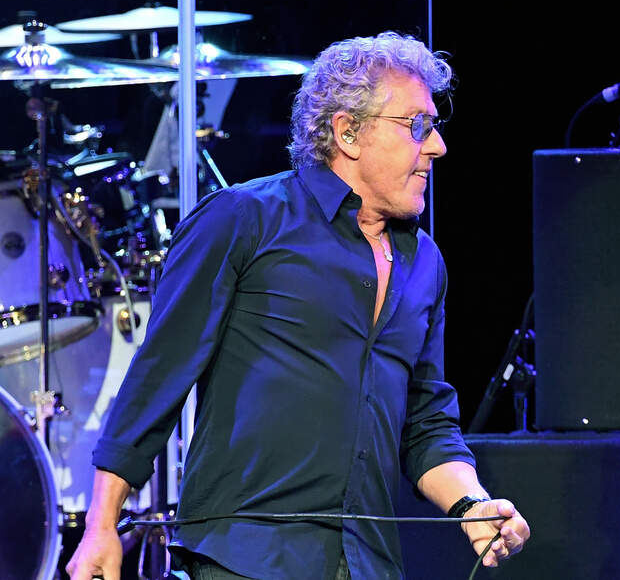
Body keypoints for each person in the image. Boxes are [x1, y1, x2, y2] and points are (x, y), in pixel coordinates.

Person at [67, 32, 529, 580]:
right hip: (243, 559)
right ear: (348, 132)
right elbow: (157, 379)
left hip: (368, 564)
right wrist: (101, 524)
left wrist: (473, 505)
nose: (437, 147)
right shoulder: (244, 219)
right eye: (417, 125)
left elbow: (426, 422)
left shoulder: (425, 262)